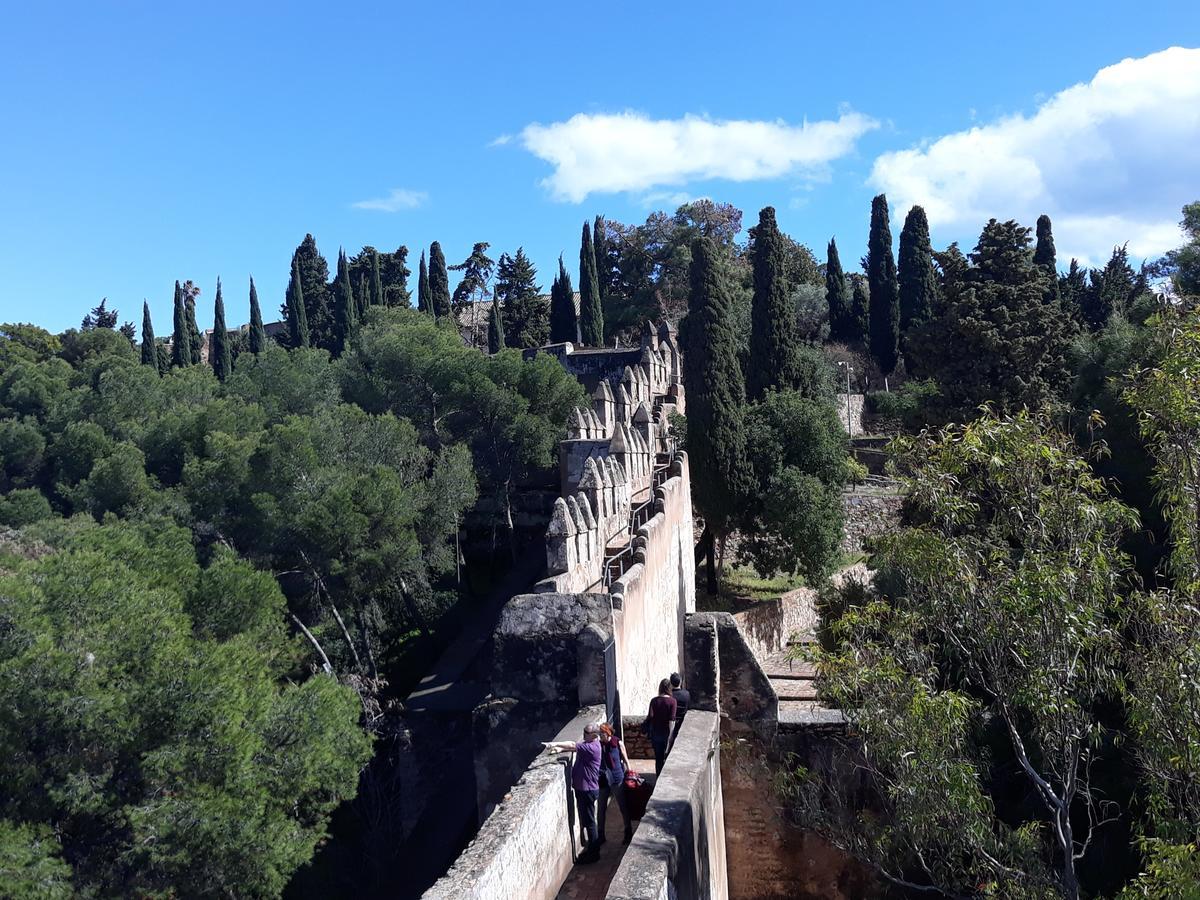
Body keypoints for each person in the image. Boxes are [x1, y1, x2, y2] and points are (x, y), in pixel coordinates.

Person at [543, 722, 603, 864]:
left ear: (593, 735)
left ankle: (594, 854)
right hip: (584, 788)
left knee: (590, 823)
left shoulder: (592, 747)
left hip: (587, 789)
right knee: (587, 821)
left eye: (586, 732)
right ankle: (591, 850)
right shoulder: (589, 745)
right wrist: (558, 750)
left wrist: (552, 745)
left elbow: (571, 745)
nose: (583, 734)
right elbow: (575, 748)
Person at [597, 722, 633, 845]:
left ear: (608, 733)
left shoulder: (617, 742)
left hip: (617, 778)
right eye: (599, 734)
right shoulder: (599, 745)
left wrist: (629, 769)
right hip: (603, 779)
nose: (600, 736)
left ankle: (628, 831)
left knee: (623, 806)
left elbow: (625, 757)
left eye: (602, 734)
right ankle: (600, 834)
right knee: (601, 808)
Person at [646, 678, 677, 775]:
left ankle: (658, 777)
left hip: (656, 733)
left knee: (658, 759)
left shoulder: (654, 701)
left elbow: (650, 716)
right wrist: (670, 736)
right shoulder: (672, 701)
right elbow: (671, 720)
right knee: (667, 758)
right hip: (666, 733)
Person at [668, 672, 690, 750]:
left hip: (669, 724)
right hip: (682, 723)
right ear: (680, 682)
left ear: (670, 683)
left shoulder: (670, 696)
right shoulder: (686, 694)